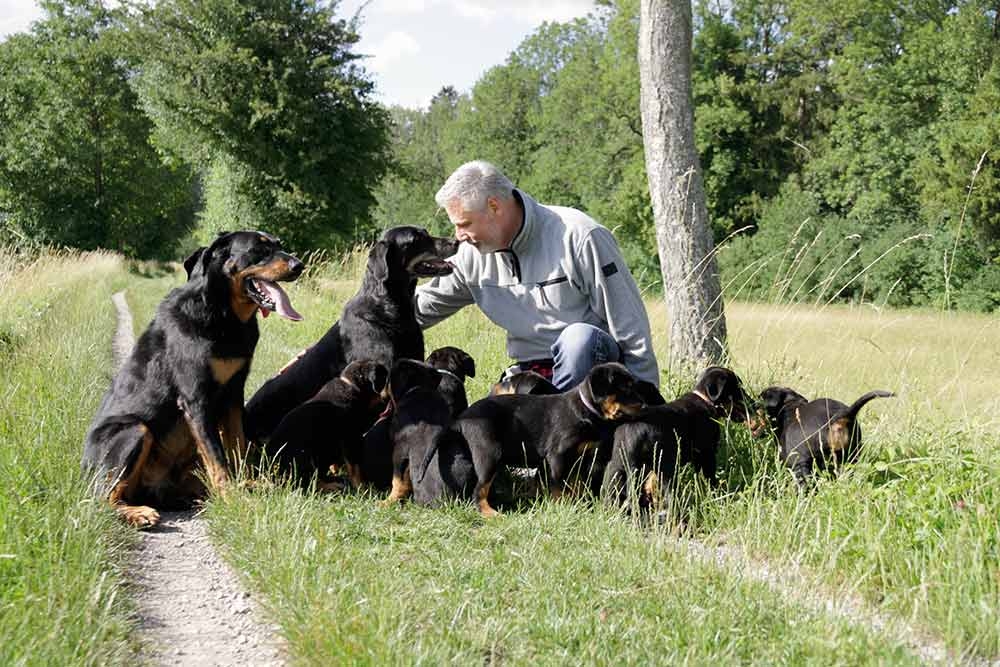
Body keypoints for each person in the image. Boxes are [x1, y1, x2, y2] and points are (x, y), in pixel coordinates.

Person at [415, 160, 659, 391]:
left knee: (578, 340)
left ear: (494, 206)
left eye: (464, 224)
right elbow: (415, 310)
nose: (458, 236)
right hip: (529, 374)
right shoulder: (471, 256)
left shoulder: (580, 236)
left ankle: (557, 426)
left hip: (594, 369)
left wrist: (648, 407)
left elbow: (631, 328)